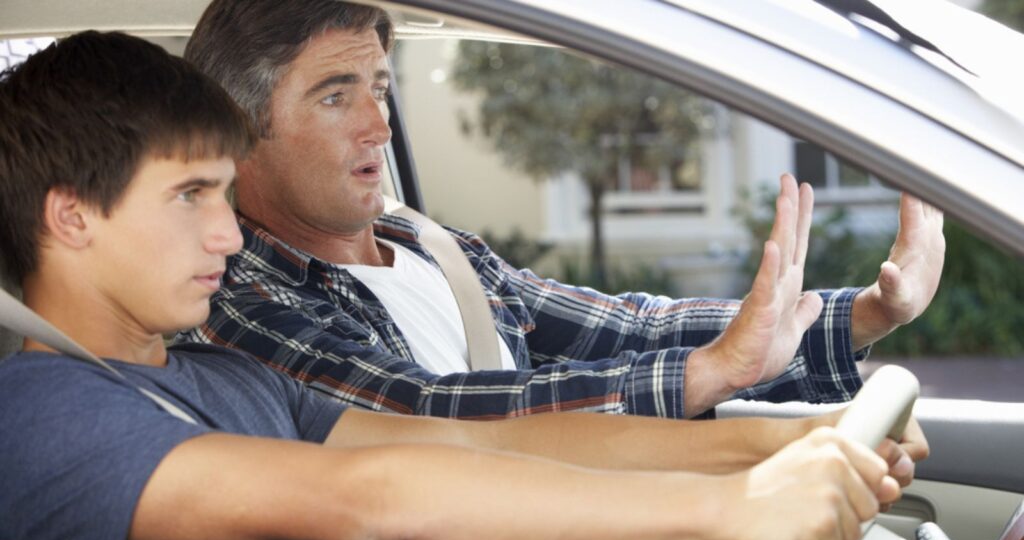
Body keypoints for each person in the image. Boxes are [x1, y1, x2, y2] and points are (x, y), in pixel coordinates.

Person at [0, 30, 920, 540]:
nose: (230, 236)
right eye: (191, 196)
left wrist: (784, 439)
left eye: (222, 193)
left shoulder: (223, 377)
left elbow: (478, 438)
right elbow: (368, 500)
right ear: (71, 217)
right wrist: (730, 509)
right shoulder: (42, 419)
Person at [178, 0, 946, 423]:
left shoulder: (428, 245)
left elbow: (623, 328)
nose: (378, 125)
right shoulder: (239, 300)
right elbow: (432, 416)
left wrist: (866, 316)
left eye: (379, 88)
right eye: (335, 94)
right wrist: (705, 375)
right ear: (238, 128)